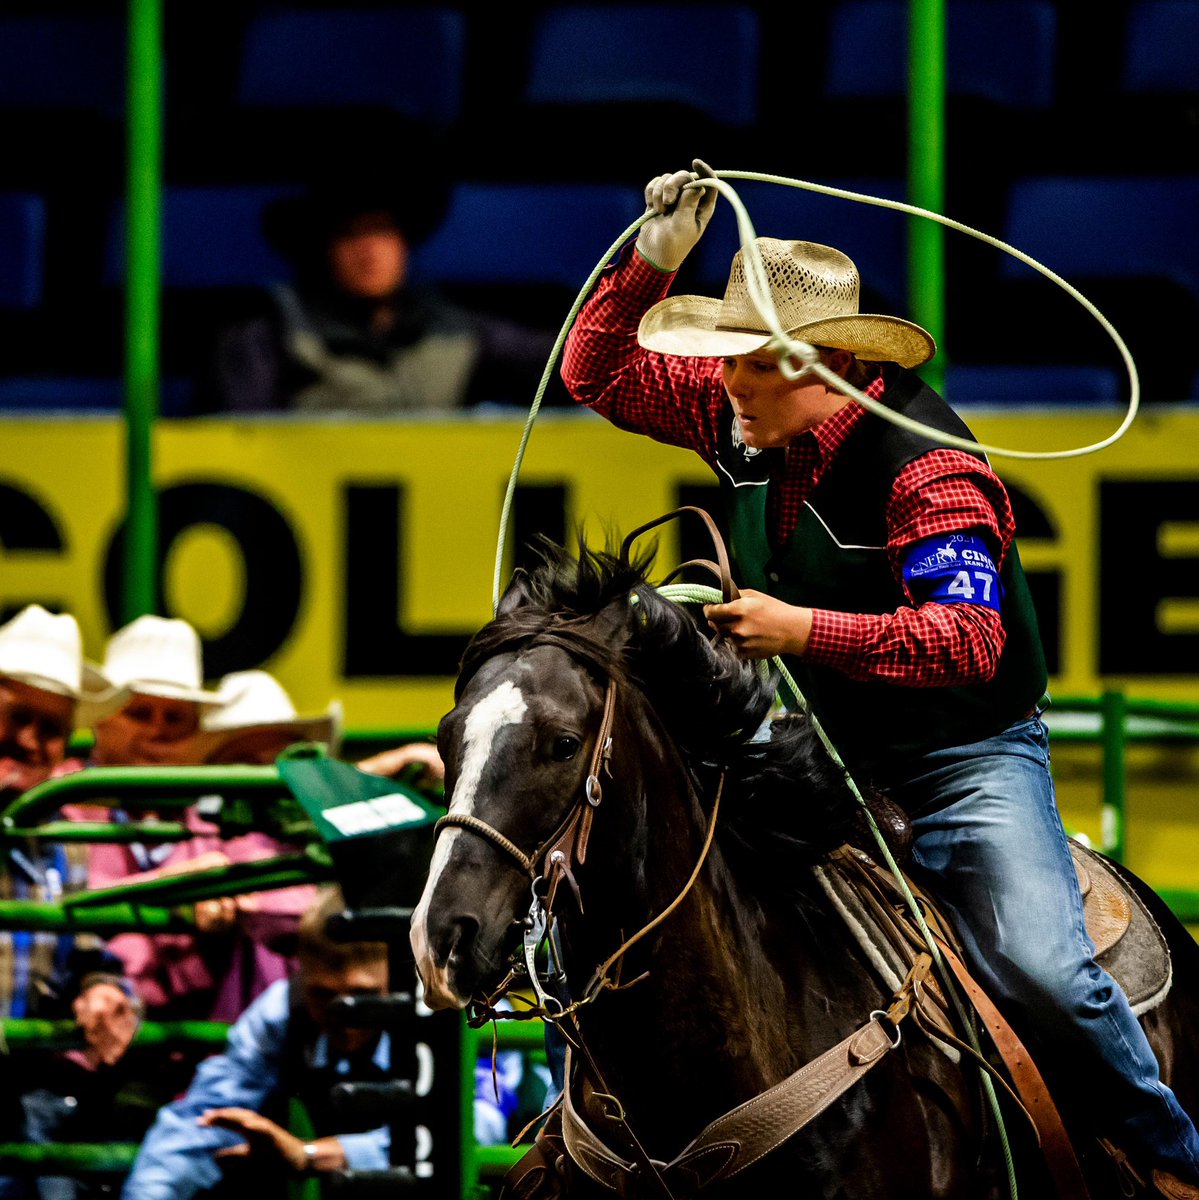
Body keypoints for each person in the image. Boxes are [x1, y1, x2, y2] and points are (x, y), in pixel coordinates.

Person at [558, 160, 1199, 1197]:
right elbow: (598, 374)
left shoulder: (928, 470)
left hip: (959, 759)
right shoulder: (759, 415)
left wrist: (798, 627)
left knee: (1042, 965)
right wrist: (651, 259)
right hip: (816, 751)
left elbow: (963, 642)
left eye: (741, 367)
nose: (718, 388)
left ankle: (1171, 1166)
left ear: (818, 368)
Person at [200, 113, 560, 415]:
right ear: (322, 247)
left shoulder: (456, 331)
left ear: (405, 241)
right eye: (350, 234)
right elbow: (241, 447)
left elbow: (563, 364)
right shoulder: (270, 335)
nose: (369, 251)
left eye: (382, 231)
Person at [119, 884, 393, 1200]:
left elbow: (452, 1133)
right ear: (302, 972)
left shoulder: (441, 1022)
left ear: (398, 976)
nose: (344, 1016)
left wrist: (309, 1155)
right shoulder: (281, 1012)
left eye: (364, 996)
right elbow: (199, 1124)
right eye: (323, 995)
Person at [0, 604, 130, 1019]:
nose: (28, 741)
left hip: (28, 1078)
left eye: (51, 729)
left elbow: (88, 957)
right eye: (16, 717)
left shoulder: (67, 843)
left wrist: (102, 989)